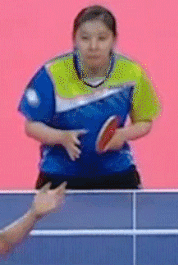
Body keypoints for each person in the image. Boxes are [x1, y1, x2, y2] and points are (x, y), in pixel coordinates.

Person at [19, 4, 161, 190]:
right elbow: (31, 126)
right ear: (74, 39)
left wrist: (122, 134)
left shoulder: (132, 73)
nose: (93, 46)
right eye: (85, 38)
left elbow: (144, 121)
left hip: (116, 172)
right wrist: (61, 137)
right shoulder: (52, 74)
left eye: (102, 38)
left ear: (114, 40)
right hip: (60, 173)